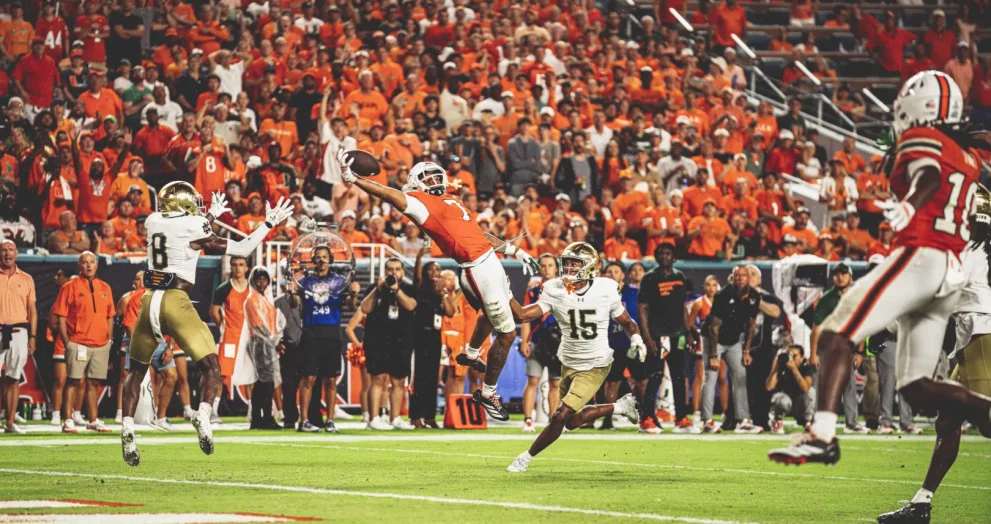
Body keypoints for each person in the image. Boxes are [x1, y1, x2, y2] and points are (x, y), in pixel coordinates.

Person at [769, 71, 991, 465]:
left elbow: (929, 174)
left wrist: (910, 204)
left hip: (922, 255)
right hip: (952, 273)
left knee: (835, 333)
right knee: (916, 386)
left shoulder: (924, 138)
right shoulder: (971, 157)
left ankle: (822, 435)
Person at [339, 150, 539, 421]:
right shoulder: (419, 202)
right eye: (427, 177)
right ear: (416, 183)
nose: (434, 180)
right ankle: (488, 393)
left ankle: (471, 353)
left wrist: (515, 250)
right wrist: (355, 179)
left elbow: (478, 234)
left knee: (515, 314)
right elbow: (388, 193)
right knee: (507, 335)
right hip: (478, 268)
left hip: (488, 262)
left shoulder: (452, 199)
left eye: (436, 175)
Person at [120, 181, 293, 466]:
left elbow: (185, 235)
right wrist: (268, 223)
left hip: (149, 301)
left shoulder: (153, 221)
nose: (198, 209)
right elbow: (243, 246)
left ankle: (127, 427)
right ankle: (203, 414)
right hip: (176, 301)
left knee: (136, 372)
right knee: (211, 365)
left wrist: (210, 216)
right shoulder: (192, 225)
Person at [877, 190, 991, 523]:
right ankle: (921, 503)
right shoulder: (977, 248)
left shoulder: (968, 249)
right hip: (972, 335)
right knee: (948, 421)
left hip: (982, 334)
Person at [507, 242, 645, 473]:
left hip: (596, 363)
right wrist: (507, 294)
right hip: (569, 362)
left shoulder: (605, 288)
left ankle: (525, 458)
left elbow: (627, 322)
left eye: (575, 264)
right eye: (567, 263)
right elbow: (523, 315)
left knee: (560, 416)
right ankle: (620, 406)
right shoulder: (554, 289)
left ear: (589, 266)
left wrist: (637, 339)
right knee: (571, 421)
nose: (569, 268)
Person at [289, 245, 361, 433]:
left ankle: (330, 421)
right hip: (311, 332)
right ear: (313, 260)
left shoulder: (339, 281)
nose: (321, 260)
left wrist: (354, 294)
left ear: (330, 260)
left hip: (331, 333)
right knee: (309, 378)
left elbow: (351, 305)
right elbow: (294, 304)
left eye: (324, 257)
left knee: (331, 380)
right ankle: (304, 421)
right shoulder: (305, 281)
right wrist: (292, 292)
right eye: (318, 257)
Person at [636, 243, 696, 434]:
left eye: (668, 253)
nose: (664, 256)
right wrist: (647, 336)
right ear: (655, 256)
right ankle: (647, 418)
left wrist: (688, 332)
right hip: (658, 335)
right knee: (655, 376)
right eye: (661, 253)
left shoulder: (680, 277)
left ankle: (681, 418)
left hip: (677, 335)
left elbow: (682, 307)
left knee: (679, 377)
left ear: (674, 257)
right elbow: (642, 308)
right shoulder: (649, 278)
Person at [52, 252, 115, 435]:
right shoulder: (69, 287)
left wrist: (109, 339)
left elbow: (110, 316)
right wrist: (67, 342)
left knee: (93, 383)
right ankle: (68, 420)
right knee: (73, 381)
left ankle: (93, 420)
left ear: (97, 265)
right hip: (78, 342)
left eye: (92, 262)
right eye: (85, 262)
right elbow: (60, 317)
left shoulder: (105, 287)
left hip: (100, 344)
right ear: (79, 266)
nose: (88, 265)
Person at [807, 263, 870, 435]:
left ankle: (852, 423)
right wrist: (813, 354)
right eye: (837, 274)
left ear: (850, 277)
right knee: (823, 386)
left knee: (849, 385)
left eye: (843, 274)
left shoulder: (856, 297)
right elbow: (816, 328)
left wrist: (860, 352)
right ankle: (817, 423)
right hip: (828, 347)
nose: (840, 277)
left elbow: (862, 326)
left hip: (847, 347)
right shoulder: (826, 299)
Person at [702, 265, 763, 433]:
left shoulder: (755, 296)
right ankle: (707, 421)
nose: (741, 278)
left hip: (734, 340)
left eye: (744, 275)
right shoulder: (723, 295)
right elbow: (714, 327)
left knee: (740, 375)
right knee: (711, 376)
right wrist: (713, 355)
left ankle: (743, 420)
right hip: (714, 339)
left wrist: (746, 350)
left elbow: (751, 325)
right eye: (737, 275)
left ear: (749, 278)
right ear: (733, 277)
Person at [360, 258, 418, 430]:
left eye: (397, 269)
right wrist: (377, 290)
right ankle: (374, 418)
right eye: (390, 269)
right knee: (378, 378)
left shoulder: (408, 288)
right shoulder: (375, 288)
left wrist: (396, 290)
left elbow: (411, 305)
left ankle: (395, 418)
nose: (394, 273)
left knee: (399, 380)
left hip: (401, 340)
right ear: (385, 271)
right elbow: (365, 308)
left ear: (403, 271)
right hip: (377, 340)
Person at [409, 245, 456, 428]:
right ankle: (415, 416)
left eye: (437, 269)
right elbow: (417, 278)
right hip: (420, 336)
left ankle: (430, 416)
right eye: (431, 269)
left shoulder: (440, 293)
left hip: (435, 338)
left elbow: (450, 312)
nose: (434, 272)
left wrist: (443, 294)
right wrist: (419, 259)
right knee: (419, 378)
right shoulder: (420, 288)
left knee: (432, 379)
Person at [519, 254, 562, 433]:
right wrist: (524, 341)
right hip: (537, 341)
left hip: (559, 343)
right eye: (543, 265)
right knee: (533, 381)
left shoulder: (565, 290)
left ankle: (553, 421)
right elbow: (525, 318)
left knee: (555, 383)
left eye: (550, 265)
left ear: (556, 268)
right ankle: (528, 420)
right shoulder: (532, 291)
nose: (546, 268)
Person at [0, 240, 36, 435]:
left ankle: (10, 423)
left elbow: (32, 310)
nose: (7, 253)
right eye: (3, 250)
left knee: (13, 378)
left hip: (19, 332)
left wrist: (33, 336)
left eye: (11, 250)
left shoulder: (26, 278)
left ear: (16, 253)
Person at [210, 256, 251, 424]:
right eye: (234, 265)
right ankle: (213, 412)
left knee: (251, 375)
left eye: (241, 265)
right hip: (229, 339)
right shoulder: (224, 288)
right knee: (221, 375)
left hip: (248, 338)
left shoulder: (252, 287)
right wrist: (223, 327)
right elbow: (213, 311)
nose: (237, 268)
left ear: (247, 268)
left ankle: (252, 412)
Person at [744, 265, 785, 432]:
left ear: (760, 279)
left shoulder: (767, 297)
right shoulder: (735, 296)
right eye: (747, 274)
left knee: (762, 385)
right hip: (739, 346)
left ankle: (761, 419)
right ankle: (737, 419)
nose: (750, 277)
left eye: (753, 274)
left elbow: (775, 312)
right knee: (741, 384)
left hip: (762, 347)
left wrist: (757, 300)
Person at [242, 266, 283, 430]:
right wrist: (275, 341)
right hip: (261, 343)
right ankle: (263, 417)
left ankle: (260, 417)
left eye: (264, 279)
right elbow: (259, 326)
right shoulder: (253, 300)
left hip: (266, 343)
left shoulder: (261, 298)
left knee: (264, 382)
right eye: (258, 279)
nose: (261, 282)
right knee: (266, 383)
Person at [765, 344, 815, 434]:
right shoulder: (782, 364)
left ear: (801, 358)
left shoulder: (806, 366)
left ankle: (808, 423)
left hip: (800, 405)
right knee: (780, 398)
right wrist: (776, 367)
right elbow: (769, 387)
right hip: (785, 403)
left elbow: (806, 388)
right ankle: (777, 421)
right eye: (788, 355)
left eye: (794, 356)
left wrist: (794, 369)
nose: (790, 358)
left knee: (811, 392)